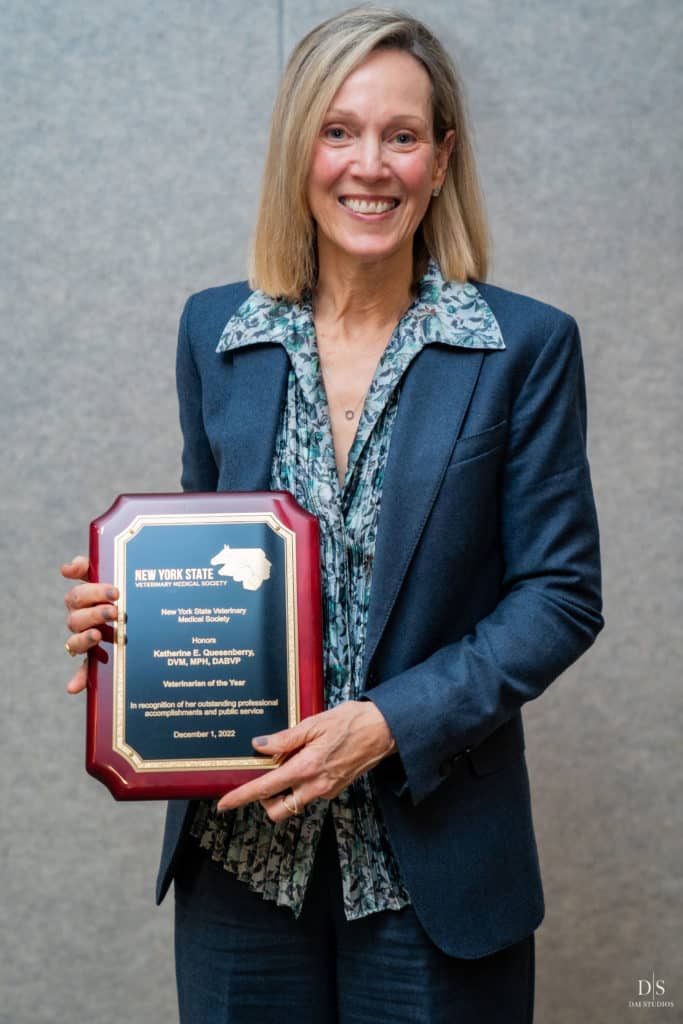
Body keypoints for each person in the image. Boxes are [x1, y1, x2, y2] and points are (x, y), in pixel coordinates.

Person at [62, 6, 603, 1022]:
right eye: (339, 130)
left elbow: (559, 596)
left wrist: (389, 724)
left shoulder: (521, 346)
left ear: (440, 159)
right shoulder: (216, 329)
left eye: (401, 135)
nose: (370, 165)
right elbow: (203, 550)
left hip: (432, 864)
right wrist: (125, 621)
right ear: (297, 149)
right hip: (240, 858)